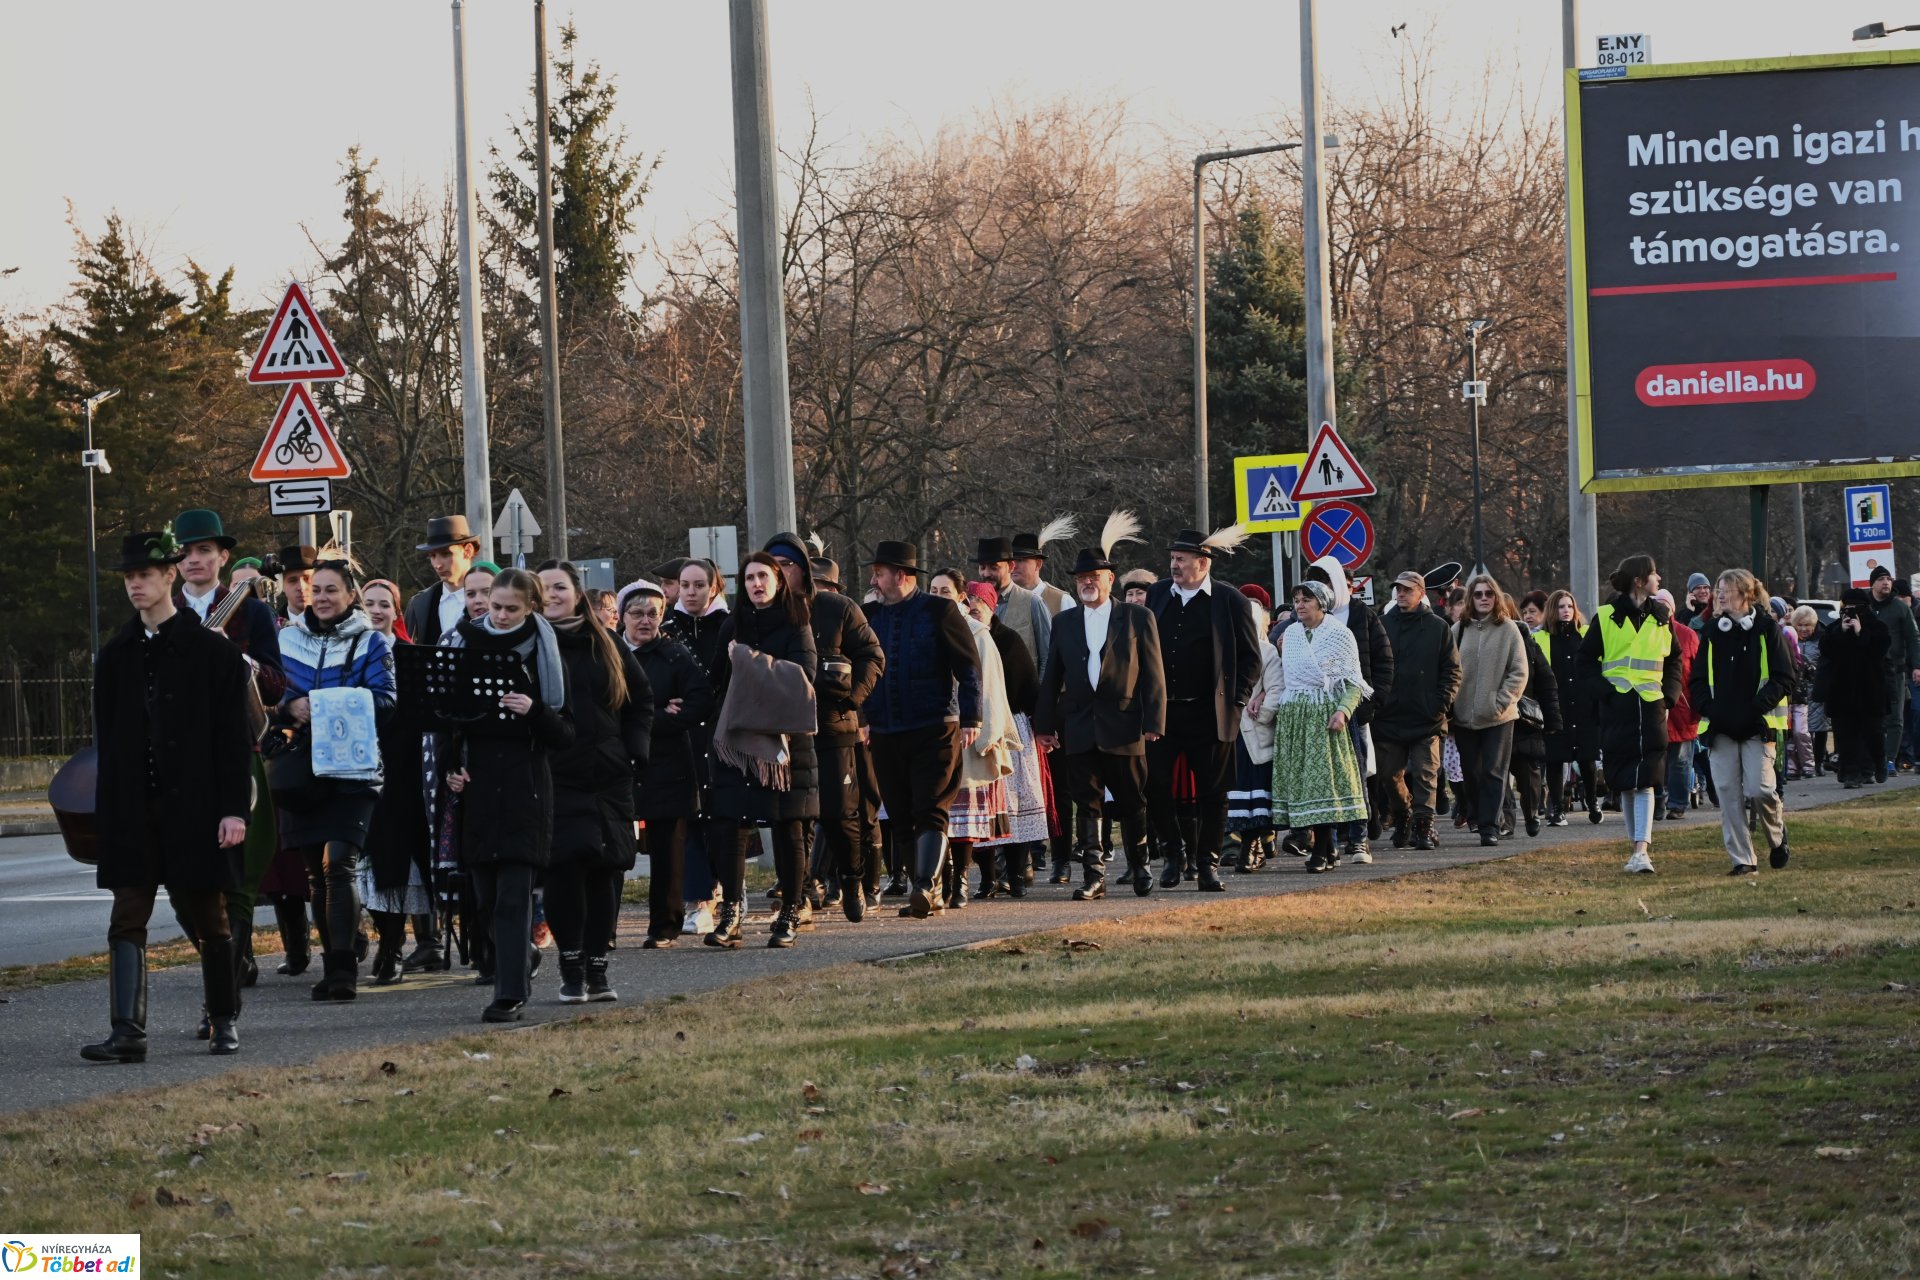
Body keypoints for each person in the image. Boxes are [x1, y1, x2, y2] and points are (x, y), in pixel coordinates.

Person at [82, 530, 254, 1063]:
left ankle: (223, 1021)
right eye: (129, 578)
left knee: (209, 913)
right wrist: (107, 815)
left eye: (146, 576)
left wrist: (232, 808)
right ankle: (127, 1032)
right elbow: (107, 742)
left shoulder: (210, 652)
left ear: (169, 577)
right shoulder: (115, 656)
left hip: (197, 806)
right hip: (135, 809)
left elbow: (232, 737)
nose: (136, 585)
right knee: (127, 915)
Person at [441, 569, 574, 1020]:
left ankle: (509, 993)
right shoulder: (462, 641)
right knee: (485, 901)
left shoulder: (544, 648)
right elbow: (448, 721)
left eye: (509, 609)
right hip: (478, 788)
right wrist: (452, 769)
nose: (497, 615)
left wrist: (533, 709)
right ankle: (522, 960)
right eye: (493, 606)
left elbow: (564, 732)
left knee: (515, 898)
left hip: (526, 787)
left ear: (530, 608)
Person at [169, 508, 289, 991]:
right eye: (185, 552)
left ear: (223, 556)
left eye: (204, 551)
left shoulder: (252, 611)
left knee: (239, 876)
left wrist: (231, 654)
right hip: (178, 761)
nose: (194, 560)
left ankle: (224, 987)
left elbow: (278, 686)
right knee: (180, 885)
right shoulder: (161, 612)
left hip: (239, 749)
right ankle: (228, 961)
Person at [268, 559, 397, 1001]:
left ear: (349, 595)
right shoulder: (285, 638)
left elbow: (386, 701)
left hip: (353, 769)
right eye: (315, 589)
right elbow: (268, 699)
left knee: (338, 863)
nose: (321, 597)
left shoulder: (372, 642)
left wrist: (321, 704)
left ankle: (342, 971)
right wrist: (287, 710)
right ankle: (336, 956)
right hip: (300, 770)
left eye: (331, 590)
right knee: (315, 875)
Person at [1033, 515, 1165, 899]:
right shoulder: (1066, 621)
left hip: (1125, 723)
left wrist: (1154, 720)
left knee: (1130, 800)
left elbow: (1153, 674)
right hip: (1079, 724)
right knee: (1086, 803)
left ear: (1110, 579)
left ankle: (1140, 865)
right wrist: (1045, 725)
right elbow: (1051, 675)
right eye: (1081, 578)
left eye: (1095, 576)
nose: (1087, 582)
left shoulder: (1137, 617)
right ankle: (1094, 875)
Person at [539, 560, 651, 999]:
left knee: (606, 873)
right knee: (564, 871)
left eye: (560, 587)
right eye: (543, 588)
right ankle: (571, 966)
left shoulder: (607, 643)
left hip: (609, 775)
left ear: (576, 593)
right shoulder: (529, 645)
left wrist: (634, 751)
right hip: (556, 776)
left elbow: (641, 700)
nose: (552, 595)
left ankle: (598, 968)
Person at [765, 533, 884, 921]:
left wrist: (852, 697)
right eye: (772, 566)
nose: (778, 574)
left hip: (833, 728)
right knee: (790, 818)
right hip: (782, 733)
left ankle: (851, 878)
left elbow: (871, 654)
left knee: (838, 814)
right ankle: (797, 896)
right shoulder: (760, 614)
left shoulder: (838, 608)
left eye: (785, 565)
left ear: (802, 569)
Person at [864, 541, 983, 919]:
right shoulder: (867, 615)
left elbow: (968, 666)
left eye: (880, 573)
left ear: (901, 575)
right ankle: (931, 888)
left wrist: (971, 718)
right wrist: (863, 718)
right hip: (884, 730)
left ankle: (925, 887)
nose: (874, 579)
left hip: (935, 727)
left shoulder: (940, 610)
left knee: (931, 807)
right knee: (899, 813)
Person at [708, 552, 819, 946]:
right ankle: (732, 913)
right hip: (736, 743)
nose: (756, 584)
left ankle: (790, 911)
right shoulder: (731, 626)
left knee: (789, 828)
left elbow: (804, 679)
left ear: (778, 582)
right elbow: (717, 681)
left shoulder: (797, 622)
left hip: (786, 747)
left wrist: (748, 659)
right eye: (750, 577)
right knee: (731, 828)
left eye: (764, 577)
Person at [1142, 526, 1261, 891]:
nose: (1174, 565)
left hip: (1210, 714)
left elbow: (1250, 659)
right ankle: (1174, 853)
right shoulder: (1158, 594)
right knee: (1156, 784)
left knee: (1213, 791)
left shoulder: (1229, 600)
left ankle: (1208, 863)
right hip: (1163, 712)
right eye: (1173, 559)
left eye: (1181, 559)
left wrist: (1237, 700)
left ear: (1203, 562)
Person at [620, 581, 714, 946]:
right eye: (637, 613)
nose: (645, 621)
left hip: (669, 764)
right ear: (623, 616)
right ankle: (603, 931)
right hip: (619, 765)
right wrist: (654, 713)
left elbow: (700, 701)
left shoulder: (674, 654)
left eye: (653, 614)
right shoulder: (611, 653)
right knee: (611, 852)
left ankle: (664, 926)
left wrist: (653, 720)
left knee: (667, 852)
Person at [1579, 555, 1684, 874]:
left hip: (1653, 709)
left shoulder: (1662, 616)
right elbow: (1584, 661)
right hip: (1618, 710)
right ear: (1639, 581)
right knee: (1625, 780)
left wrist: (1669, 697)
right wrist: (1606, 693)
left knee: (1647, 780)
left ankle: (1642, 850)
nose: (1659, 578)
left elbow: (1674, 659)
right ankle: (1635, 848)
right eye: (1654, 574)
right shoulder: (1606, 616)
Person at [1691, 569, 1793, 874]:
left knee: (1760, 789)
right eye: (1718, 589)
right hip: (1720, 727)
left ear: (1746, 595)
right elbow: (1696, 681)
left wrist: (1755, 708)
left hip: (1757, 726)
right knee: (1727, 793)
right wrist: (1709, 708)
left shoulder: (1766, 629)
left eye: (1727, 589)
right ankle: (1743, 860)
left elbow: (1784, 678)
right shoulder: (1710, 632)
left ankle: (1777, 838)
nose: (1720, 595)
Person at [927, 571, 1016, 910]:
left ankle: (960, 879)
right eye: (933, 590)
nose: (938, 595)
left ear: (961, 595)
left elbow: (989, 683)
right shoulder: (924, 627)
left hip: (967, 733)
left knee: (962, 817)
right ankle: (940, 876)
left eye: (945, 590)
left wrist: (987, 731)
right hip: (931, 731)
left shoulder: (977, 632)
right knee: (935, 813)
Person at [1271, 580, 1373, 872]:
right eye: (1297, 600)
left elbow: (1354, 683)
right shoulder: (1290, 634)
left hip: (1325, 713)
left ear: (1322, 603)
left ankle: (1320, 850)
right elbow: (1285, 674)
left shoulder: (1339, 635)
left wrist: (1343, 712)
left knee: (1324, 784)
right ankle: (1327, 850)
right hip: (1295, 714)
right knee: (1304, 785)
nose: (1300, 605)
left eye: (1307, 600)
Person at [1302, 556, 1394, 862]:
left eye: (1326, 583)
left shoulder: (1359, 616)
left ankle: (1359, 838)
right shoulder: (1303, 620)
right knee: (1321, 777)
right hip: (1314, 713)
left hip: (1353, 709)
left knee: (1355, 774)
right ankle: (1326, 840)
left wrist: (1371, 702)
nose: (1321, 591)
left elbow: (1382, 661)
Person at [964, 581, 1049, 897]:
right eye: (968, 607)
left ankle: (1016, 876)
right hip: (972, 731)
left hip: (1008, 729)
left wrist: (1041, 727)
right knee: (979, 809)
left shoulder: (1008, 641)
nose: (972, 612)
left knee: (1014, 807)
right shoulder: (961, 638)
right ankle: (988, 878)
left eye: (977, 607)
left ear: (989, 609)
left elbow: (1028, 687)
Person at [1374, 570, 1462, 851]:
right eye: (1398, 589)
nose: (1401, 594)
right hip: (1390, 715)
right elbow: (1373, 667)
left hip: (1427, 717)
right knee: (1388, 775)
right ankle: (1403, 815)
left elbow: (1452, 671)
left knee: (1426, 773)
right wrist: (1378, 701)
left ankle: (1425, 826)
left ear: (1420, 593)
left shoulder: (1438, 628)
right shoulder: (1383, 625)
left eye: (1408, 590)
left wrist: (1440, 705)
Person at [1449, 573, 1529, 849]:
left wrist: (1501, 701)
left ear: (1496, 597)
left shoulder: (1509, 629)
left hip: (1499, 716)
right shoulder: (1459, 630)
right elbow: (1448, 669)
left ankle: (1490, 827)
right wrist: (1452, 704)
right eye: (1478, 594)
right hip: (1463, 717)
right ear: (1470, 598)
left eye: (1489, 594)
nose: (1484, 598)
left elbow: (1519, 671)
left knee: (1494, 772)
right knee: (1471, 772)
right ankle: (1476, 814)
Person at [1814, 590, 1891, 788]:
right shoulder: (1833, 629)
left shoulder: (1878, 628)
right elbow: (1826, 650)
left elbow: (1879, 651)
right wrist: (1842, 630)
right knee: (1845, 735)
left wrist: (1860, 633)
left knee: (1873, 732)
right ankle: (1851, 773)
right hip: (1842, 691)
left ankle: (1877, 762)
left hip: (1870, 690)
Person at [1228, 594, 1283, 870]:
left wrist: (1257, 711)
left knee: (1255, 793)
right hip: (1227, 731)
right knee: (1235, 793)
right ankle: (1247, 845)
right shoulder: (1222, 650)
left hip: (1254, 734)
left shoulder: (1267, 651)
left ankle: (1253, 846)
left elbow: (1276, 690)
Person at [1539, 590, 1601, 826]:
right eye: (1561, 606)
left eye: (1570, 606)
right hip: (1556, 705)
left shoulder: (1586, 635)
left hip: (1584, 704)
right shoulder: (1542, 638)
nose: (1566, 610)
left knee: (1586, 758)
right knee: (1555, 759)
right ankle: (1557, 807)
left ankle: (1593, 802)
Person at [1507, 595, 1563, 838]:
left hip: (1524, 718)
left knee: (1527, 771)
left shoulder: (1526, 642)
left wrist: (1552, 719)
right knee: (1493, 773)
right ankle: (1503, 822)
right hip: (1493, 715)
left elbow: (1546, 681)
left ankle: (1531, 814)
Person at [1867, 566, 1920, 780]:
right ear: (1872, 584)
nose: (1886, 583)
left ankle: (1889, 759)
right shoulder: (1865, 608)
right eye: (1881, 579)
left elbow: (1913, 638)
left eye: (1888, 579)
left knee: (1895, 718)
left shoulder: (1900, 608)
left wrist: (1917, 665)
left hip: (1896, 670)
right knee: (1872, 716)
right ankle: (1872, 759)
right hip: (1869, 670)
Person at [1653, 589, 1702, 821]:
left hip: (1682, 709)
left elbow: (1698, 674)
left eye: (1666, 603)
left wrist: (1698, 704)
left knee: (1681, 762)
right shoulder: (1647, 632)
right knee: (1656, 760)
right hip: (1655, 707)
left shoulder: (1688, 636)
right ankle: (1657, 803)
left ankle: (1678, 804)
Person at [402, 515, 483, 647]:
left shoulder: (492, 601)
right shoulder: (419, 604)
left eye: (446, 554)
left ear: (467, 551)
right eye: (432, 556)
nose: (437, 564)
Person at [974, 536, 1052, 669]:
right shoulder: (970, 605)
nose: (986, 573)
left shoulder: (1033, 603)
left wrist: (1040, 689)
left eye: (994, 568)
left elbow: (1048, 657)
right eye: (982, 567)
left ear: (1011, 566)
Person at [665, 558, 731, 682]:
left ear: (712, 590)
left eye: (699, 585)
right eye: (685, 585)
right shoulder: (664, 628)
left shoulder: (731, 626)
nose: (691, 592)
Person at [1011, 519, 1076, 615]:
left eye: (1020, 560)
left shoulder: (1062, 601)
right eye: (1011, 561)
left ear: (1038, 564)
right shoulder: (1002, 599)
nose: (1014, 566)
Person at [1790, 605, 1826, 776]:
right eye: (1800, 625)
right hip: (1798, 692)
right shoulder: (1790, 639)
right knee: (1799, 731)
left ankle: (1817, 762)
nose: (1804, 629)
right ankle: (1797, 764)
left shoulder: (1822, 640)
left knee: (1819, 728)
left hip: (1817, 688)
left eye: (1807, 625)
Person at [273, 544, 317, 628]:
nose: (301, 587)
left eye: (307, 579)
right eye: (292, 580)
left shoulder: (334, 624)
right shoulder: (271, 629)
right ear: (282, 585)